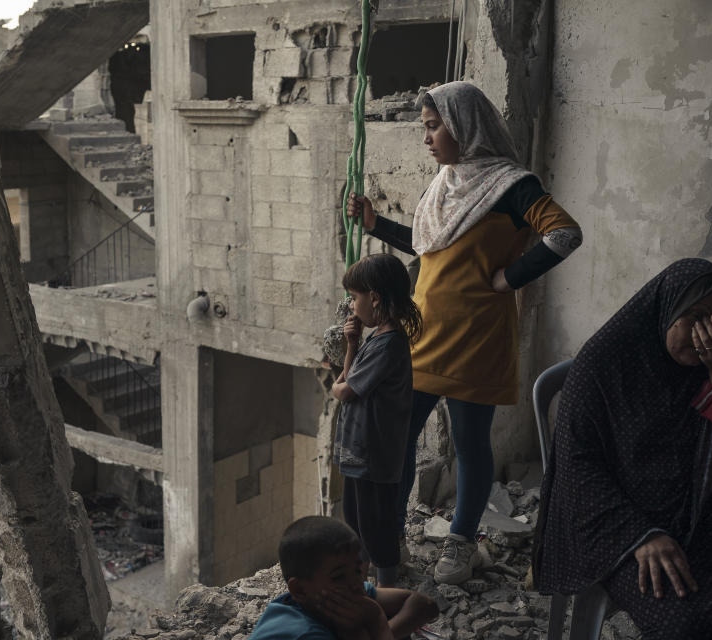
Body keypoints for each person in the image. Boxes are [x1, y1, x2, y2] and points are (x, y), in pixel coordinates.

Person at [347, 81, 583, 584]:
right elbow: (431, 248)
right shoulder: (446, 184)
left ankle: (460, 542)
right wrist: (376, 225)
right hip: (421, 333)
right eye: (426, 128)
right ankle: (388, 541)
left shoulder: (512, 186)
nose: (426, 138)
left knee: (470, 441)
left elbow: (564, 233)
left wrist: (510, 277)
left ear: (464, 126)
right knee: (398, 440)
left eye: (434, 127)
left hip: (478, 336)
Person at [532, 258, 712, 639]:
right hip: (628, 531)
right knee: (683, 623)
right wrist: (640, 535)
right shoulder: (602, 364)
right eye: (696, 316)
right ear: (666, 310)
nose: (709, 332)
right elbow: (577, 467)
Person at [330, 254, 422, 587]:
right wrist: (352, 344)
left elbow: (345, 389)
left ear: (375, 298)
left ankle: (387, 591)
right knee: (356, 521)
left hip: (374, 456)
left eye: (355, 298)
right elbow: (348, 377)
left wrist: (337, 386)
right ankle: (365, 585)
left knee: (377, 527)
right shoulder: (374, 339)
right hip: (360, 454)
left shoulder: (390, 344)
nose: (352, 306)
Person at [250, 516, 438, 640]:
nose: (356, 584)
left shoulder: (329, 597)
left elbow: (426, 606)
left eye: (357, 570)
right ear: (299, 590)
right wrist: (376, 622)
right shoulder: (303, 634)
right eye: (338, 576)